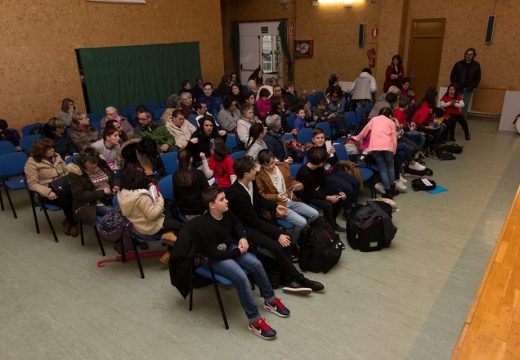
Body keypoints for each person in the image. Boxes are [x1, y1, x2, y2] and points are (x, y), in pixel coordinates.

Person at [196, 186, 289, 339]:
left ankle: (270, 300)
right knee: (241, 278)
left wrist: (242, 238)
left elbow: (238, 225)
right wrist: (238, 251)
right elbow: (214, 253)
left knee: (256, 264)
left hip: (229, 247)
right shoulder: (205, 225)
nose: (227, 201)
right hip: (212, 257)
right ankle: (254, 321)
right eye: (222, 199)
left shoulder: (225, 211)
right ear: (212, 205)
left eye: (225, 197)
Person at [227, 156, 325, 293]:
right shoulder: (237, 194)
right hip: (244, 229)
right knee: (277, 246)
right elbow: (252, 222)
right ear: (246, 173)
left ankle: (288, 279)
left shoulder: (251, 182)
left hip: (255, 222)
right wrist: (276, 233)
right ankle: (301, 280)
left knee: (286, 240)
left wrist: (275, 207)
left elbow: (259, 200)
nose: (257, 170)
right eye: (254, 169)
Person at [256, 150, 319, 243]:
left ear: (274, 159)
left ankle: (302, 234)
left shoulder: (283, 166)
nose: (270, 166)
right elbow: (261, 195)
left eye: (272, 163)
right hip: (277, 205)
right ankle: (292, 243)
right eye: (267, 165)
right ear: (261, 164)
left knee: (315, 214)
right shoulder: (259, 175)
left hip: (290, 199)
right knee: (302, 222)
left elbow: (290, 181)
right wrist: (276, 196)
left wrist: (298, 185)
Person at [25, 138, 78, 236]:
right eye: (49, 149)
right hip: (47, 190)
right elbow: (32, 184)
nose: (52, 150)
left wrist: (70, 182)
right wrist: (48, 192)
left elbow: (65, 171)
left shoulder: (56, 156)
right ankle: (73, 223)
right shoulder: (31, 163)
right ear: (40, 151)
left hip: (63, 185)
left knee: (79, 195)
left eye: (52, 147)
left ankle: (70, 219)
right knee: (68, 202)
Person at [117, 164, 182, 236]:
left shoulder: (121, 192)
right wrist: (160, 199)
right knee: (180, 226)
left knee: (167, 206)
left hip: (139, 224)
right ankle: (173, 240)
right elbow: (152, 215)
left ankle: (170, 232)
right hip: (151, 227)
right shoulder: (141, 197)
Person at [311, 128, 360, 217]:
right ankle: (347, 211)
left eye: (322, 137)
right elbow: (319, 165)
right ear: (313, 139)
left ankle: (352, 204)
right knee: (348, 188)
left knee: (356, 182)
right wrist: (327, 154)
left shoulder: (327, 145)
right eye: (317, 138)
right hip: (324, 175)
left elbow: (334, 161)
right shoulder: (312, 152)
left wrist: (334, 153)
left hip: (335, 170)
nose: (320, 140)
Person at [296, 147, 346, 233]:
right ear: (320, 163)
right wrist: (327, 197)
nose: (324, 163)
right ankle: (330, 227)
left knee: (339, 197)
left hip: (317, 189)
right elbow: (309, 193)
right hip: (307, 195)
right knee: (327, 205)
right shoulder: (304, 174)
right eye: (324, 161)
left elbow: (323, 182)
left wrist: (338, 191)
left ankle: (332, 222)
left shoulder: (318, 166)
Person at [352, 108, 398, 198]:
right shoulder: (391, 122)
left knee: (382, 168)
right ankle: (392, 190)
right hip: (388, 146)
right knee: (390, 167)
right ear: (390, 116)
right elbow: (394, 139)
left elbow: (364, 132)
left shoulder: (374, 119)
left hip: (375, 147)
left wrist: (356, 138)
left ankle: (388, 192)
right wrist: (394, 150)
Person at [68, 147, 117, 225]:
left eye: (96, 162)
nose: (94, 165)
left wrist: (115, 185)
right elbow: (79, 195)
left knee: (129, 209)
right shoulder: (76, 173)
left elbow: (114, 177)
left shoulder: (101, 163)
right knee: (118, 215)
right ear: (83, 162)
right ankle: (120, 235)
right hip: (92, 203)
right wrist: (101, 192)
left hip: (109, 196)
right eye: (91, 163)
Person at [173, 149, 209, 217]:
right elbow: (207, 192)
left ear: (177, 162)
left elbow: (176, 196)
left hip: (185, 211)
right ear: (191, 159)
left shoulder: (175, 176)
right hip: (201, 211)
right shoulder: (199, 174)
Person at [450, 48, 481, 118]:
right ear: (465, 54)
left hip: (469, 88)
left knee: (465, 104)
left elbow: (478, 77)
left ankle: (463, 118)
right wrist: (454, 85)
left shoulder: (476, 65)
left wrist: (473, 86)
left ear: (473, 56)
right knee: (456, 102)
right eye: (467, 54)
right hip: (458, 87)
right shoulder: (458, 64)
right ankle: (454, 117)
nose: (468, 56)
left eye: (471, 54)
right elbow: (452, 75)